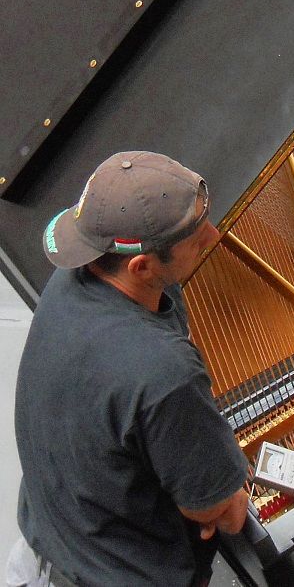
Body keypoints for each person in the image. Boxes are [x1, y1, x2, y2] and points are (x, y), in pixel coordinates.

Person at [9, 151, 249, 587]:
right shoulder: (161, 371)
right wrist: (225, 498)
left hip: (44, 551)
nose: (212, 236)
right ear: (141, 266)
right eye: (195, 235)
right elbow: (223, 513)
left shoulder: (72, 281)